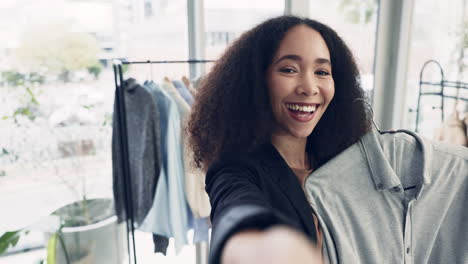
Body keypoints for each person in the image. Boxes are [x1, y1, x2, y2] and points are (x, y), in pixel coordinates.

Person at [187, 16, 468, 264]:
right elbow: (236, 212)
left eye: (322, 72)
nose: (309, 87)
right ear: (256, 81)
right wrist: (266, 246)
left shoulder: (353, 160)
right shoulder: (236, 168)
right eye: (289, 69)